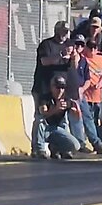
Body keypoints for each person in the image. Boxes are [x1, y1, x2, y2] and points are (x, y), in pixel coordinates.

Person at [32, 21, 75, 157]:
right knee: (42, 116)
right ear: (56, 31)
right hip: (44, 87)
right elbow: (44, 61)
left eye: (66, 31)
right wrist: (61, 55)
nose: (64, 34)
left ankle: (59, 147)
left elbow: (74, 65)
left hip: (62, 88)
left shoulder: (70, 44)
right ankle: (37, 148)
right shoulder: (47, 45)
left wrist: (74, 57)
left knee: (62, 118)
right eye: (62, 31)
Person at [35, 75, 81, 159]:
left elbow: (77, 118)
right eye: (58, 87)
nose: (60, 91)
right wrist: (55, 109)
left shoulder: (66, 100)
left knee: (75, 145)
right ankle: (39, 150)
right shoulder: (45, 98)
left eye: (62, 88)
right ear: (52, 87)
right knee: (40, 120)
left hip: (56, 130)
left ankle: (58, 148)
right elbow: (43, 113)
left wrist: (75, 109)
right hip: (46, 128)